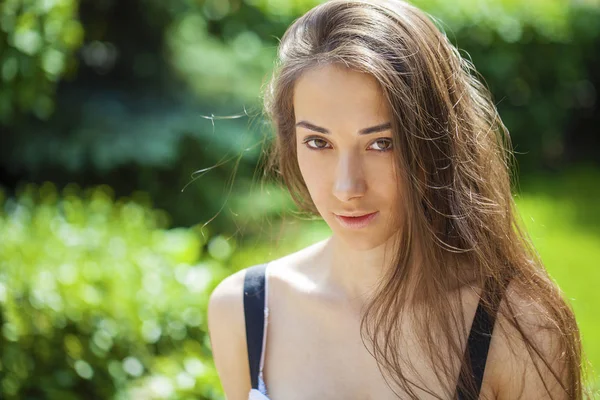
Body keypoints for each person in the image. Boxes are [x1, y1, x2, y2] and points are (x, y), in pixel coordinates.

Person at [207, 0, 588, 399]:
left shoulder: (517, 326)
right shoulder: (246, 313)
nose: (347, 186)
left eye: (381, 143)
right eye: (318, 142)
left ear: (438, 142)